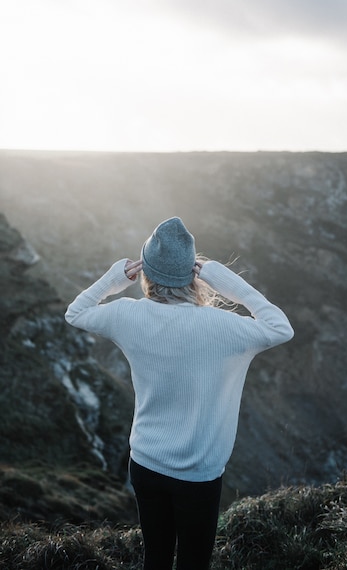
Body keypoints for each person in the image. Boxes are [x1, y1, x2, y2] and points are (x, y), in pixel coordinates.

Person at [65, 216, 294, 570]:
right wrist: (223, 278)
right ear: (194, 274)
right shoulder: (225, 327)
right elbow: (280, 328)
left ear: (146, 273)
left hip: (144, 463)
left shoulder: (127, 315)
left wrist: (113, 279)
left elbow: (75, 312)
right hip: (197, 473)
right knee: (193, 561)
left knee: (155, 558)